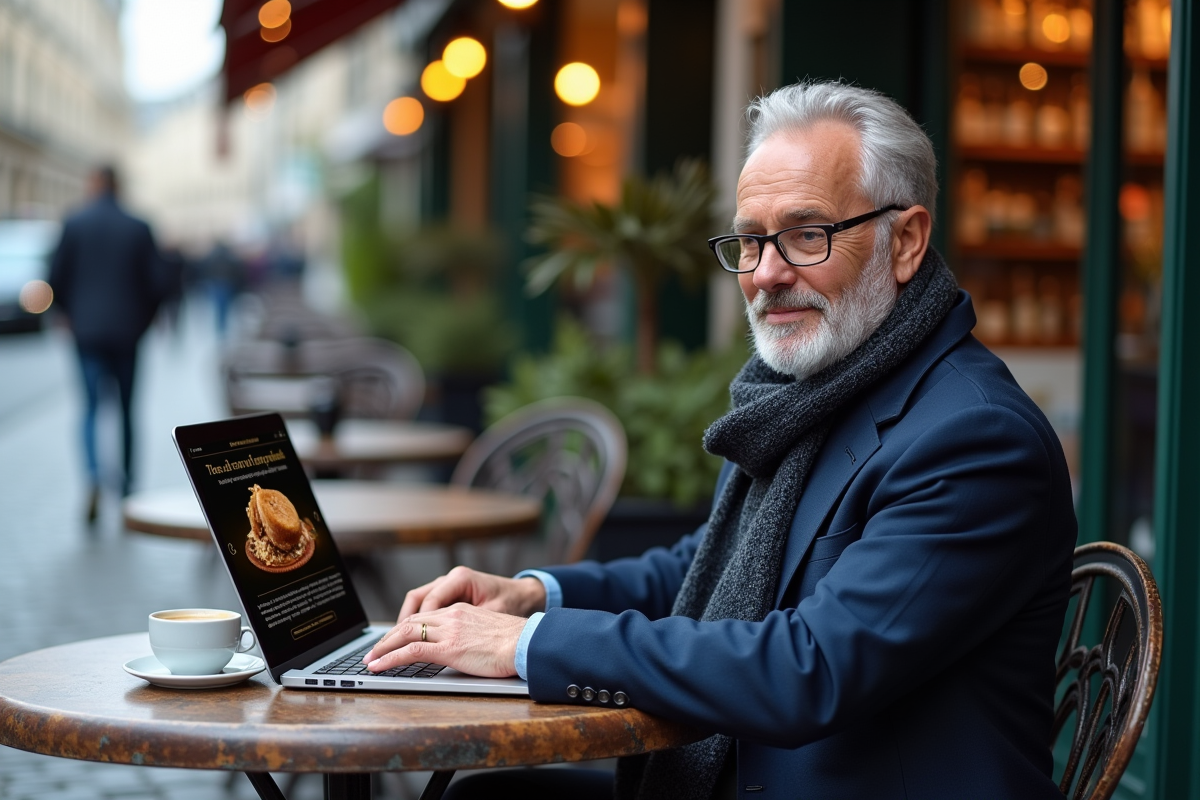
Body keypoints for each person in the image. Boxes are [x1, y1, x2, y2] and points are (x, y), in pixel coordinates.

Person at [364, 81, 1077, 800]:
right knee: (491, 796)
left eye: (807, 234)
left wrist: (524, 647)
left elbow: (810, 667)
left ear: (907, 241)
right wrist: (530, 598)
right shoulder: (826, 389)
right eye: (750, 240)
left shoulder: (974, 438)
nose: (767, 272)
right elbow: (708, 570)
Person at [49, 166, 162, 521]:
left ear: (93, 184)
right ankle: (127, 486)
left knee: (90, 408)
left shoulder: (75, 222)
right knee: (128, 410)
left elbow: (56, 278)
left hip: (87, 333)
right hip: (128, 333)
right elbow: (157, 282)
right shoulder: (138, 226)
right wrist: (143, 322)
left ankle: (94, 476)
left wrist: (67, 315)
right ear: (119, 186)